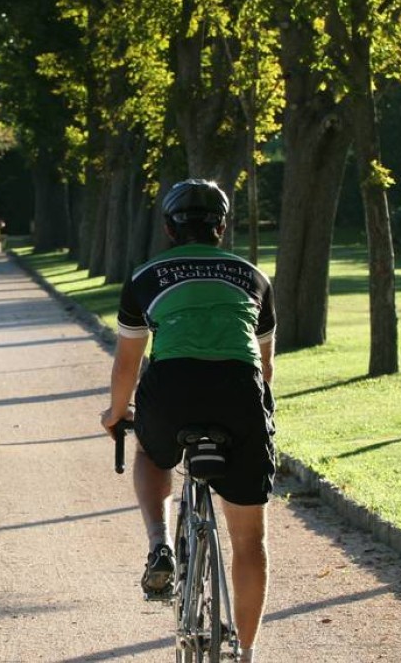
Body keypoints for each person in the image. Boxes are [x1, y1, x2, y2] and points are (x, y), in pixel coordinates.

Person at [100, 179, 276, 663]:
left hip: (171, 389)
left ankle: (160, 543)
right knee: (248, 540)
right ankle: (247, 652)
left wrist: (117, 413)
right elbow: (265, 367)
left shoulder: (145, 277)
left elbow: (127, 365)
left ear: (167, 228)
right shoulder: (254, 276)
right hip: (239, 390)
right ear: (222, 227)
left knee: (152, 453)